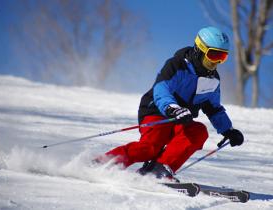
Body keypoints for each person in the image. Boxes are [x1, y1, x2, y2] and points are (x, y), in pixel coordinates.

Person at [96, 26, 244, 179]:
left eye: (223, 57)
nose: (217, 62)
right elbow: (161, 90)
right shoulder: (177, 65)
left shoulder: (212, 80)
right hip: (157, 112)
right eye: (213, 55)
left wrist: (228, 130)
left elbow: (213, 108)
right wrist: (173, 109)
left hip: (182, 119)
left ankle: (158, 171)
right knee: (150, 148)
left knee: (198, 131)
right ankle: (101, 164)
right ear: (199, 49)